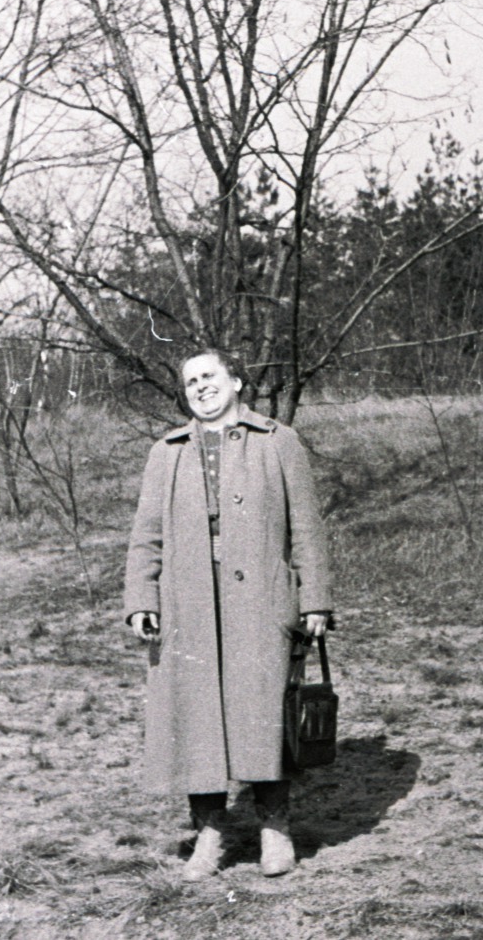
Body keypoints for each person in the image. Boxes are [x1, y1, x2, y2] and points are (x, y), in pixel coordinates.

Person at [124, 349, 333, 879]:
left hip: (262, 600)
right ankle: (210, 836)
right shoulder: (165, 453)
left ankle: (274, 829)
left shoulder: (278, 442)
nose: (199, 387)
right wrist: (141, 600)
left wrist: (315, 600)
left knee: (264, 714)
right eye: (190, 381)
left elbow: (307, 527)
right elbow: (145, 535)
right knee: (195, 717)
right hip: (188, 606)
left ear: (236, 381)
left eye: (209, 376)